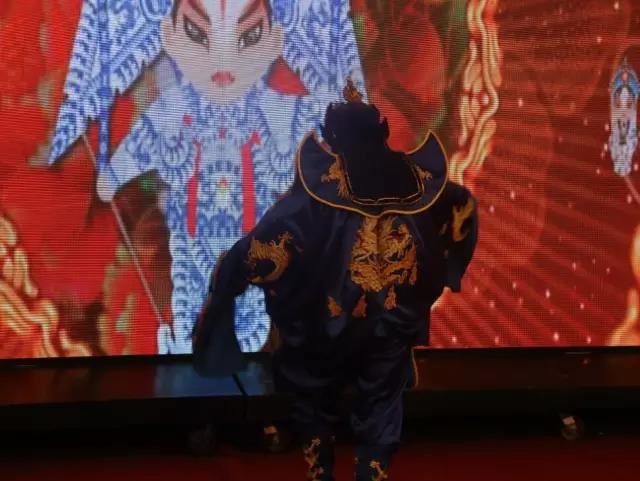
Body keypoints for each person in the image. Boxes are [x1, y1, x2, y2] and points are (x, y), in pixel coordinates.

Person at [193, 80, 478, 480]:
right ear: (382, 131)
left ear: (332, 137)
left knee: (314, 401)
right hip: (389, 324)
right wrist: (444, 275)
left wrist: (227, 283)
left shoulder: (317, 191)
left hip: (325, 327)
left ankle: (321, 474)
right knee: (381, 404)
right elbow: (463, 210)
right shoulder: (421, 184)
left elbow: (259, 249)